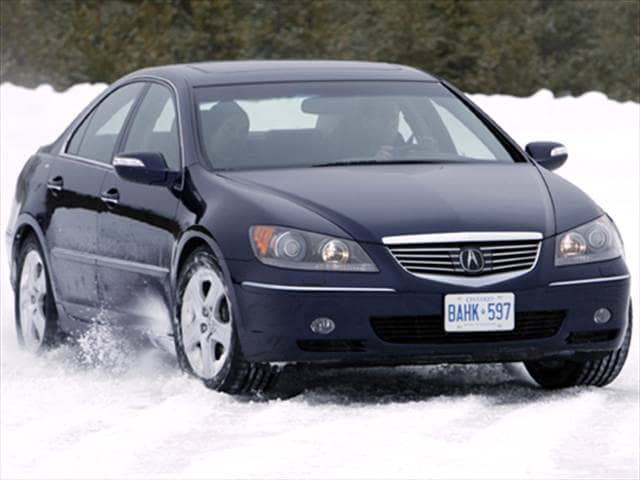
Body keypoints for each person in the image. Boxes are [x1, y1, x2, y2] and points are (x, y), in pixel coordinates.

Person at [202, 101, 250, 166]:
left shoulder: (253, 164)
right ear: (213, 129)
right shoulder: (199, 163)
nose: (237, 137)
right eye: (231, 128)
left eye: (243, 131)